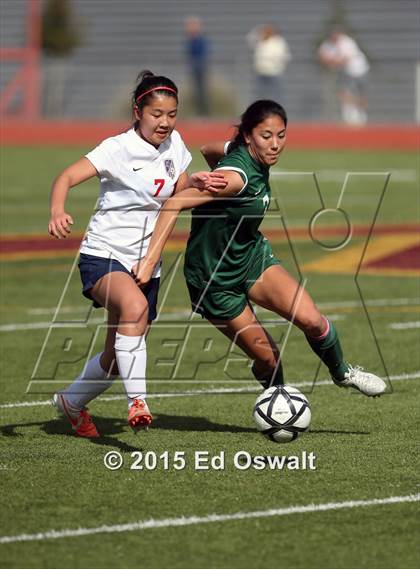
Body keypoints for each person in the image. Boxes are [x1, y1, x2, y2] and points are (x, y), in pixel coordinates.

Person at [134, 99, 387, 399]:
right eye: (266, 136)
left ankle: (343, 373)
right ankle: (277, 402)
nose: (276, 144)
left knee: (313, 320)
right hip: (214, 281)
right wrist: (149, 262)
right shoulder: (235, 179)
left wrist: (230, 153)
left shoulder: (247, 157)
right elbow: (174, 203)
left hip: (251, 257)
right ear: (248, 136)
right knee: (270, 358)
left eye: (281, 135)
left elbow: (206, 149)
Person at [48, 70, 227, 438]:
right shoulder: (116, 148)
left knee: (115, 359)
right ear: (137, 112)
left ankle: (71, 401)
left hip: (147, 264)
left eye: (172, 114)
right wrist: (57, 210)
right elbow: (65, 177)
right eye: (156, 114)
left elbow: (176, 190)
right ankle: (138, 403)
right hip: (104, 255)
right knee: (134, 309)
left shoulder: (175, 144)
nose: (164, 122)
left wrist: (197, 182)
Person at [318, 28, 370, 125]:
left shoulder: (347, 42)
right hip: (346, 73)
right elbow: (321, 55)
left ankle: (362, 115)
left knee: (362, 94)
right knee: (343, 93)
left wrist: (332, 62)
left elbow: (344, 60)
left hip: (360, 70)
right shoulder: (328, 44)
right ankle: (350, 115)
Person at [247, 25, 291, 103]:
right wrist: (258, 32)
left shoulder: (278, 42)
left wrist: (275, 63)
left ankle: (276, 112)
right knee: (259, 94)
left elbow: (284, 56)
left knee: (276, 95)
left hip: (274, 72)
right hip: (260, 72)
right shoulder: (260, 41)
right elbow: (249, 39)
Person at [184, 16, 210, 116]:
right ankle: (199, 112)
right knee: (196, 93)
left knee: (202, 92)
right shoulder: (190, 40)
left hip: (201, 69)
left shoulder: (200, 40)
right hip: (194, 69)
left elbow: (203, 54)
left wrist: (198, 64)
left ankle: (204, 113)